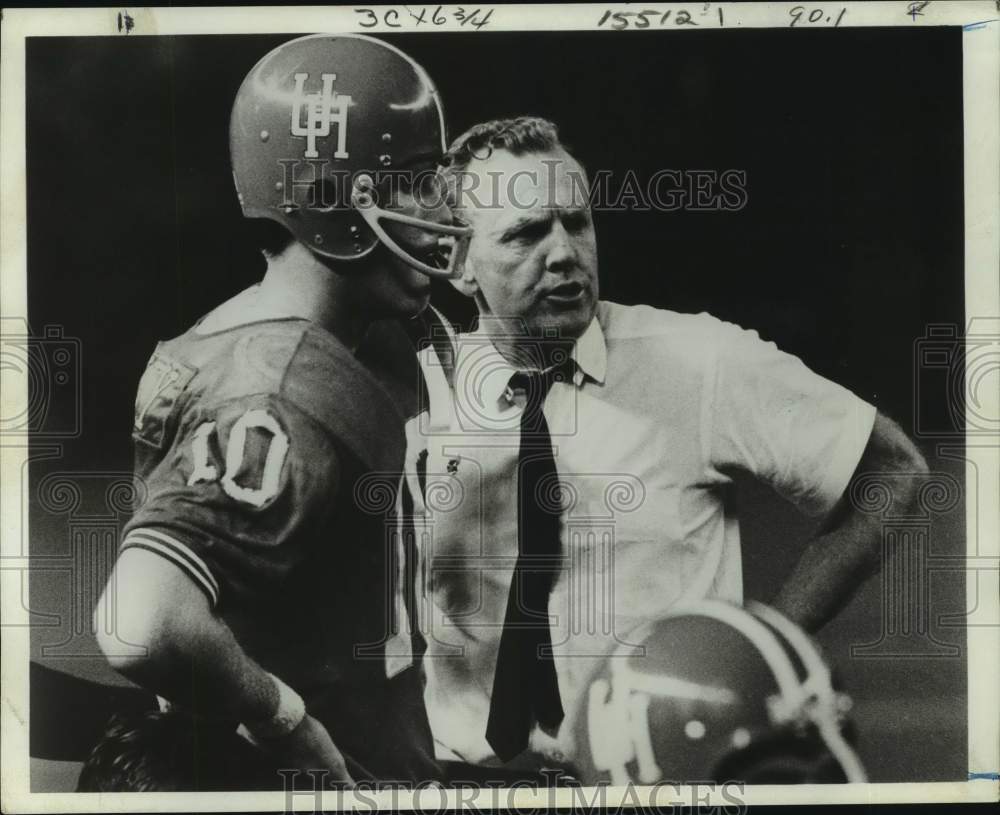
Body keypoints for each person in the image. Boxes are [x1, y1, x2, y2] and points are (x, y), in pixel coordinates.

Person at [405, 116, 928, 776]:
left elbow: (893, 468)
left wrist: (757, 645)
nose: (565, 252)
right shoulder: (412, 396)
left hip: (663, 775)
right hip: (466, 781)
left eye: (577, 221)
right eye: (527, 232)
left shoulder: (694, 359)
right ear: (458, 262)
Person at [94, 34, 470, 788]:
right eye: (416, 181)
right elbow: (142, 620)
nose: (442, 208)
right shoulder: (283, 389)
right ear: (331, 197)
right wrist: (285, 721)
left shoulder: (287, 337)